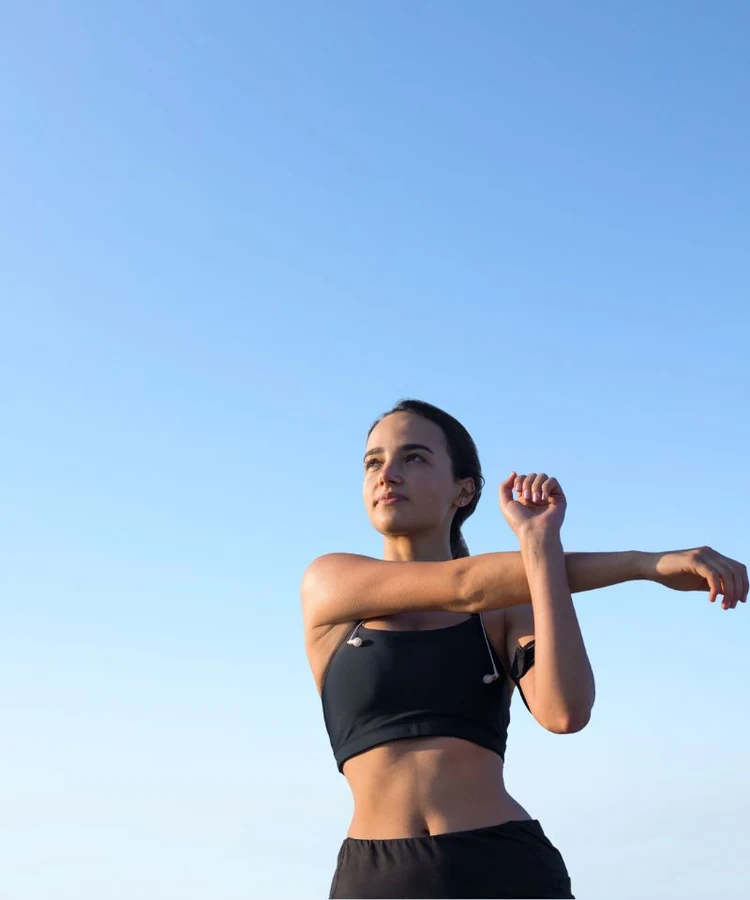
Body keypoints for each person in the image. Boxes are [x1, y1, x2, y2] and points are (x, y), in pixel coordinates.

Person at [301, 399, 747, 900]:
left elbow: (565, 711)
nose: (388, 474)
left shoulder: (506, 609)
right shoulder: (331, 584)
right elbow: (463, 585)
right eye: (373, 461)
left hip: (505, 868)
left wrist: (540, 545)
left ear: (463, 489)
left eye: (414, 457)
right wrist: (645, 564)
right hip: (376, 878)